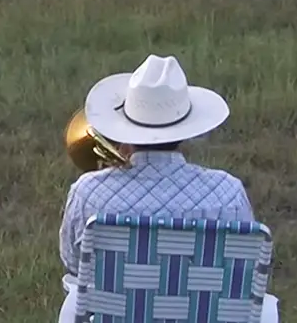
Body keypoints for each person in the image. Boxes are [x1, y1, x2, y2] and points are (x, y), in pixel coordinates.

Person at [58, 54, 280, 323]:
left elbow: (74, 264)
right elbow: (242, 274)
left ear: (125, 127)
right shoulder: (227, 193)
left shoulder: (88, 192)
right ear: (184, 129)